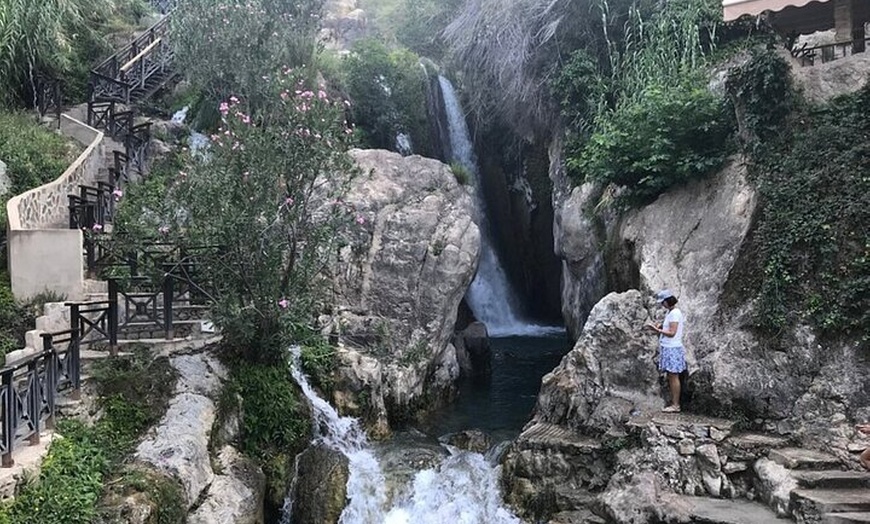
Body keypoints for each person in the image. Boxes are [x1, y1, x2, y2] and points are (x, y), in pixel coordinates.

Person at [645, 289, 686, 413]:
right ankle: (674, 403)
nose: (662, 305)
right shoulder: (671, 312)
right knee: (671, 375)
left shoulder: (674, 313)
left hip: (672, 348)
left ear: (667, 301)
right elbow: (670, 328)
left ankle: (676, 405)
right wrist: (661, 326)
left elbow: (672, 333)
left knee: (673, 376)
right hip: (669, 348)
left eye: (663, 302)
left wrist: (657, 330)